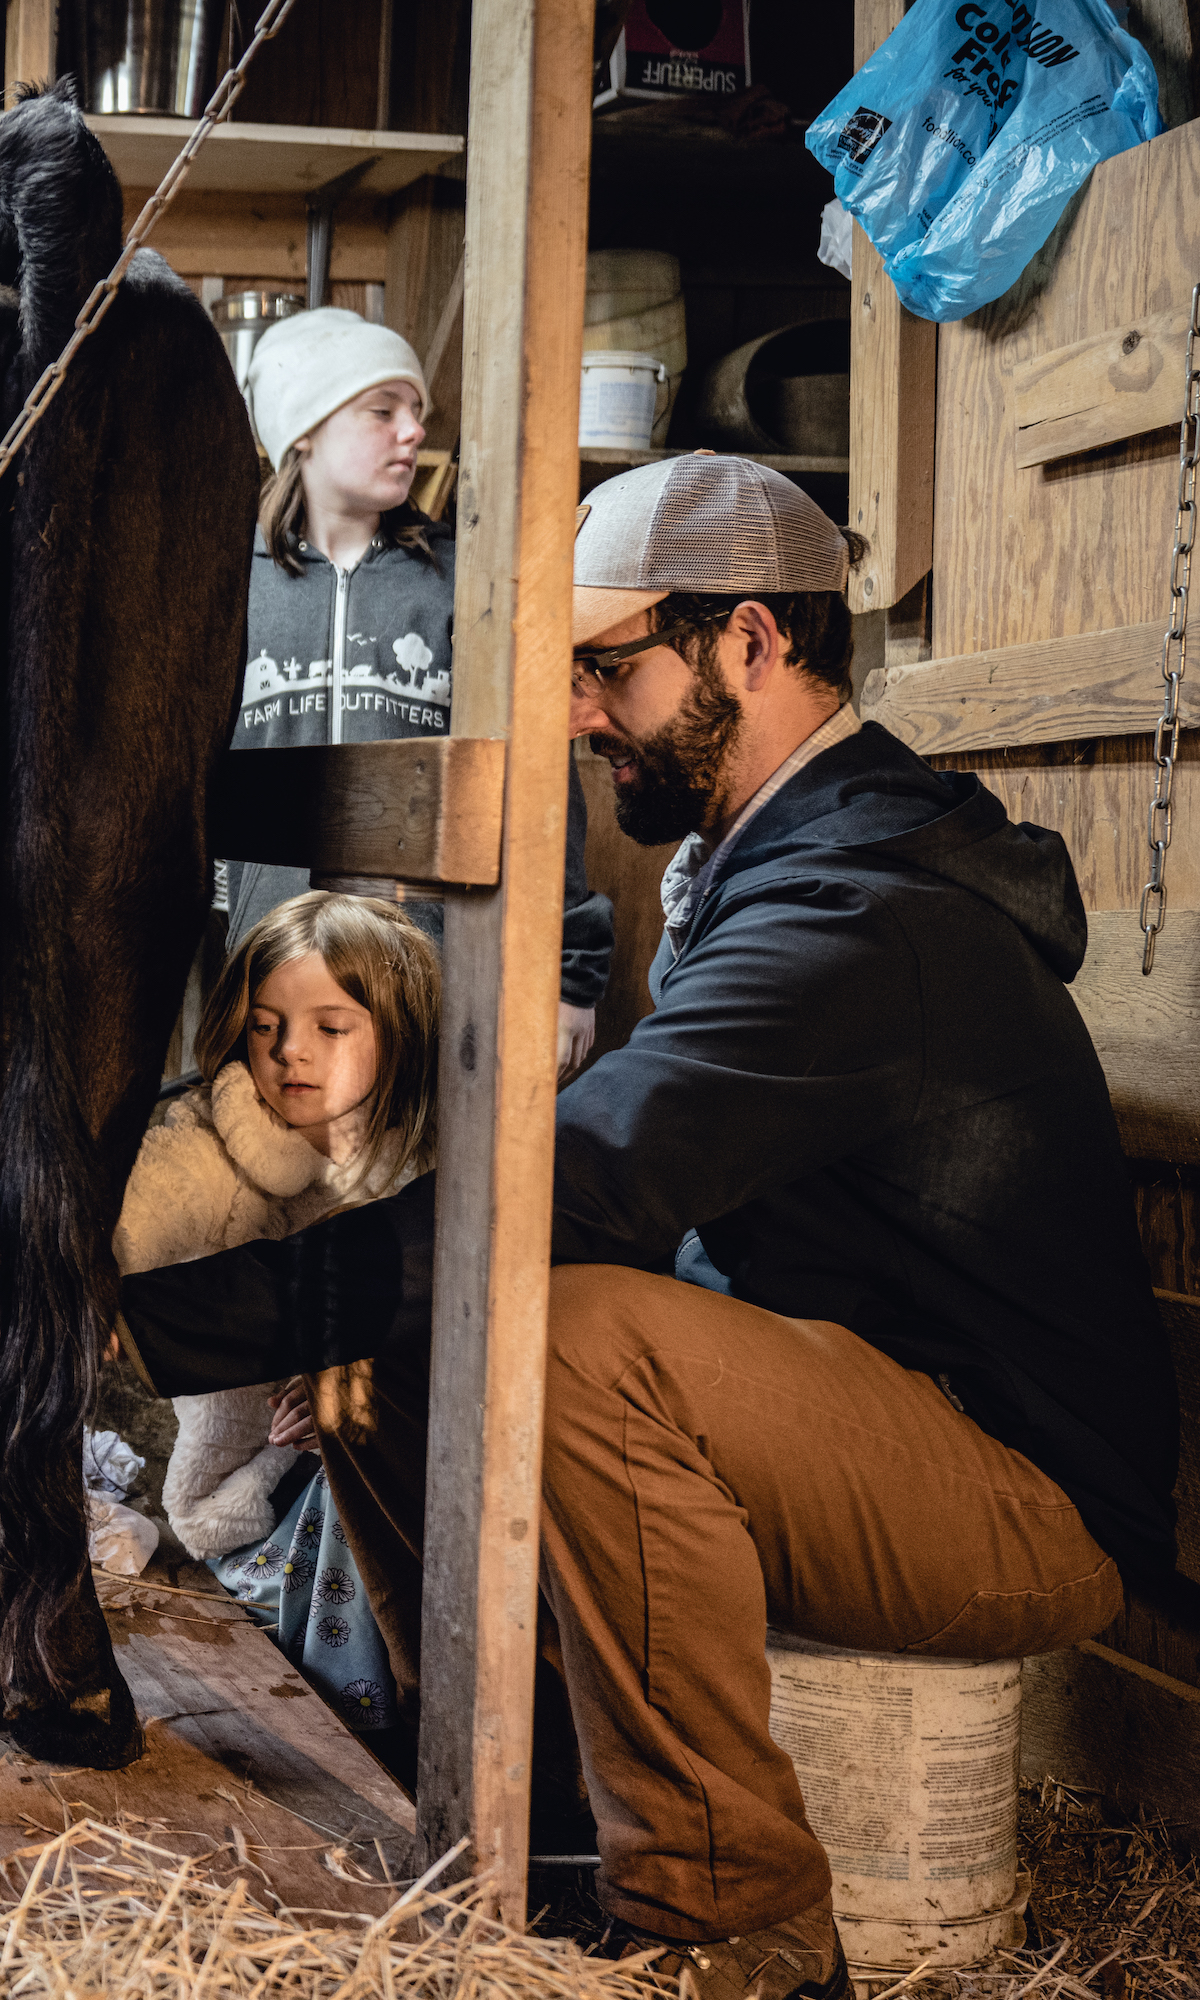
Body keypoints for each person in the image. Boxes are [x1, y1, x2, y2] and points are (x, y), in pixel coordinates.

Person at [118, 454, 1178, 2000]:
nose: (572, 712)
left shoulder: (860, 915)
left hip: (1017, 1495)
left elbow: (593, 1188)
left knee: (560, 1325)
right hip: (843, 1404)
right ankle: (522, 1806)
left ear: (750, 643)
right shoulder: (765, 866)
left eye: (607, 667)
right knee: (396, 1355)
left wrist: (139, 1324)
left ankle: (730, 1921)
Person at [226, 307, 612, 1075]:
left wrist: (569, 972)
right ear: (303, 427)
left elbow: (540, 781)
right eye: (382, 411)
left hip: (431, 998)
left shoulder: (465, 585)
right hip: (266, 998)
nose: (411, 432)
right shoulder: (227, 587)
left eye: (417, 414)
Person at [122, 891, 439, 1740]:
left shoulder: (427, 1159)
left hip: (377, 1466)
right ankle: (337, 1724)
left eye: (331, 1028)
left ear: (395, 1030)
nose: (291, 1053)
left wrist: (351, 1378)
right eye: (266, 1027)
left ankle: (396, 1724)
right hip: (245, 1486)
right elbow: (117, 1235)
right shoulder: (206, 1146)